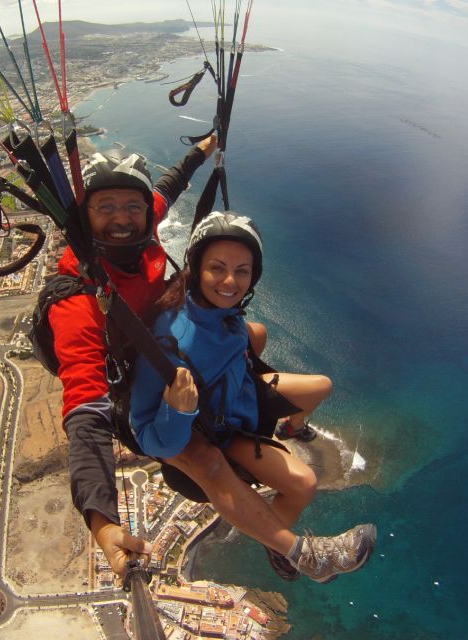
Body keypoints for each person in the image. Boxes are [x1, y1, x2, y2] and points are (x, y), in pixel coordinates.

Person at [129, 212, 376, 583]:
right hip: (221, 430)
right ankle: (286, 548)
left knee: (320, 384)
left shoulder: (216, 309)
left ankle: (294, 430)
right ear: (195, 268)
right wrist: (177, 411)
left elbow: (229, 339)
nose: (231, 281)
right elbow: (146, 434)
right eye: (218, 268)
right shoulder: (168, 341)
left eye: (242, 271)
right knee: (304, 484)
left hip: (239, 397)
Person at [50, 136, 219, 575]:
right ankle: (289, 548)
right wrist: (103, 522)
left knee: (252, 335)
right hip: (127, 385)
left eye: (132, 207)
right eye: (105, 208)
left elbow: (171, 183)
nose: (121, 219)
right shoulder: (77, 298)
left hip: (160, 349)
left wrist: (206, 147)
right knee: (204, 458)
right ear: (85, 217)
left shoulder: (143, 224)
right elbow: (85, 409)